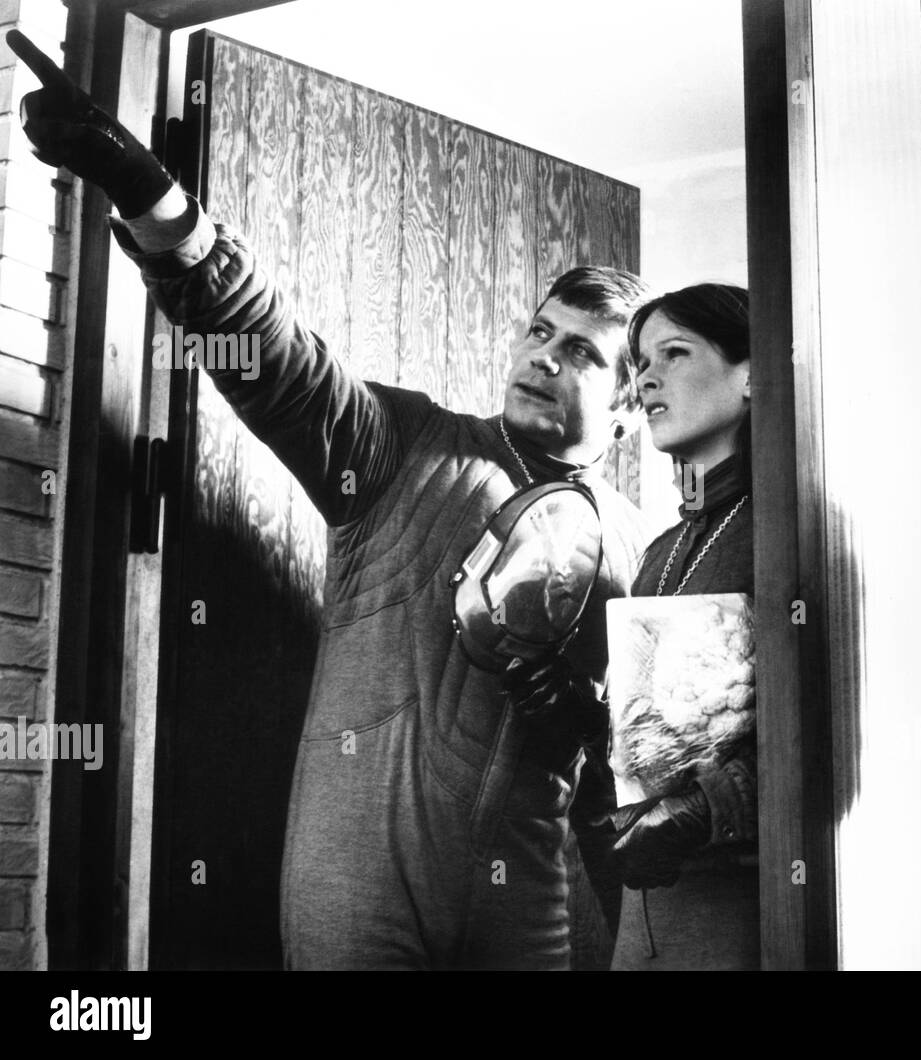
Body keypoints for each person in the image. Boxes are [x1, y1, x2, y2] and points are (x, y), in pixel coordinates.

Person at [6, 29, 651, 970]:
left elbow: (629, 779)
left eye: (584, 352)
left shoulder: (640, 549)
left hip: (529, 910)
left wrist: (590, 720)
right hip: (360, 894)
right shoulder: (403, 445)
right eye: (538, 331)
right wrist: (144, 187)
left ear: (631, 405)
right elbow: (270, 349)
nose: (544, 357)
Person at [614, 284, 761, 969]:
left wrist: (706, 809)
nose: (646, 377)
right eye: (641, 362)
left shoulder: (784, 532)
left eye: (674, 353)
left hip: (743, 903)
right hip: (643, 914)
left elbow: (828, 733)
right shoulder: (657, 552)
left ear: (752, 373)